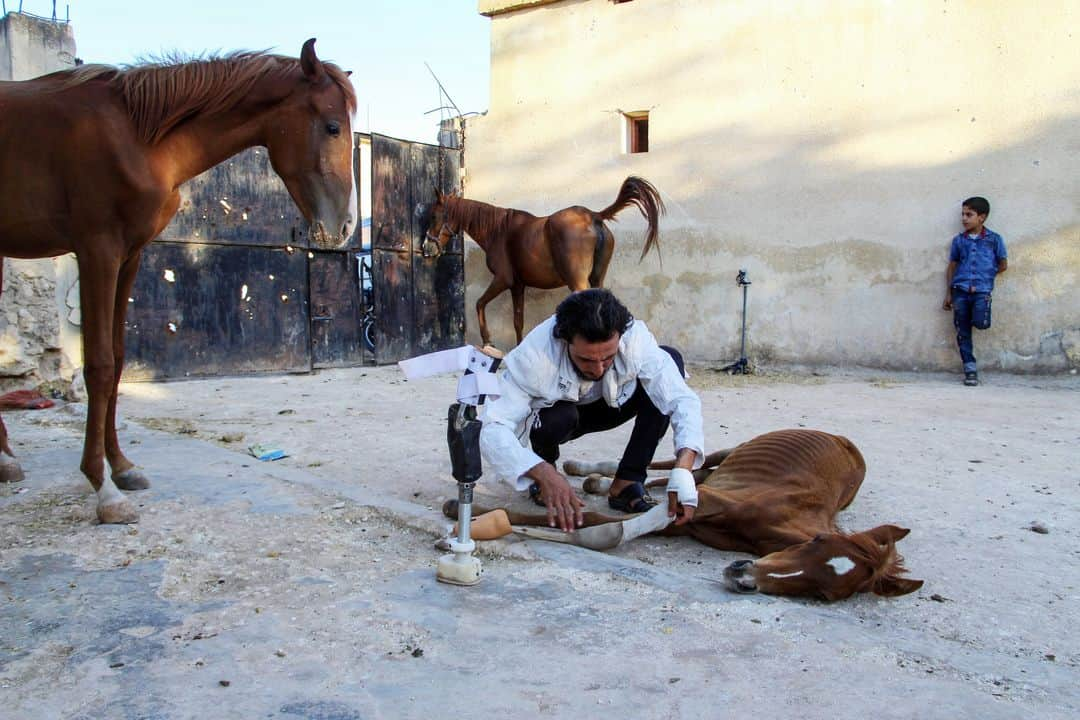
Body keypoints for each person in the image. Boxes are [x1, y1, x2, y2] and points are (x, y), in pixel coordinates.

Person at [480, 289, 704, 532]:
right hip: (557, 418)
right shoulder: (534, 356)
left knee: (671, 359)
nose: (598, 370)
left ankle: (628, 480)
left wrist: (683, 471)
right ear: (565, 341)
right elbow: (493, 427)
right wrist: (541, 472)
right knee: (557, 418)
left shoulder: (635, 338)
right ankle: (546, 474)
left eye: (607, 357)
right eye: (586, 360)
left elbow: (681, 400)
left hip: (612, 405)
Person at [942, 196, 1007, 386]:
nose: (964, 218)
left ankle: (977, 314)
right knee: (962, 331)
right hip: (960, 290)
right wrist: (949, 293)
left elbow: (1003, 264)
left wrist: (986, 275)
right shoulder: (959, 241)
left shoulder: (994, 240)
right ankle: (970, 369)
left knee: (981, 323)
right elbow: (952, 266)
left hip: (981, 291)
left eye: (969, 214)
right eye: (962, 214)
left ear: (982, 217)